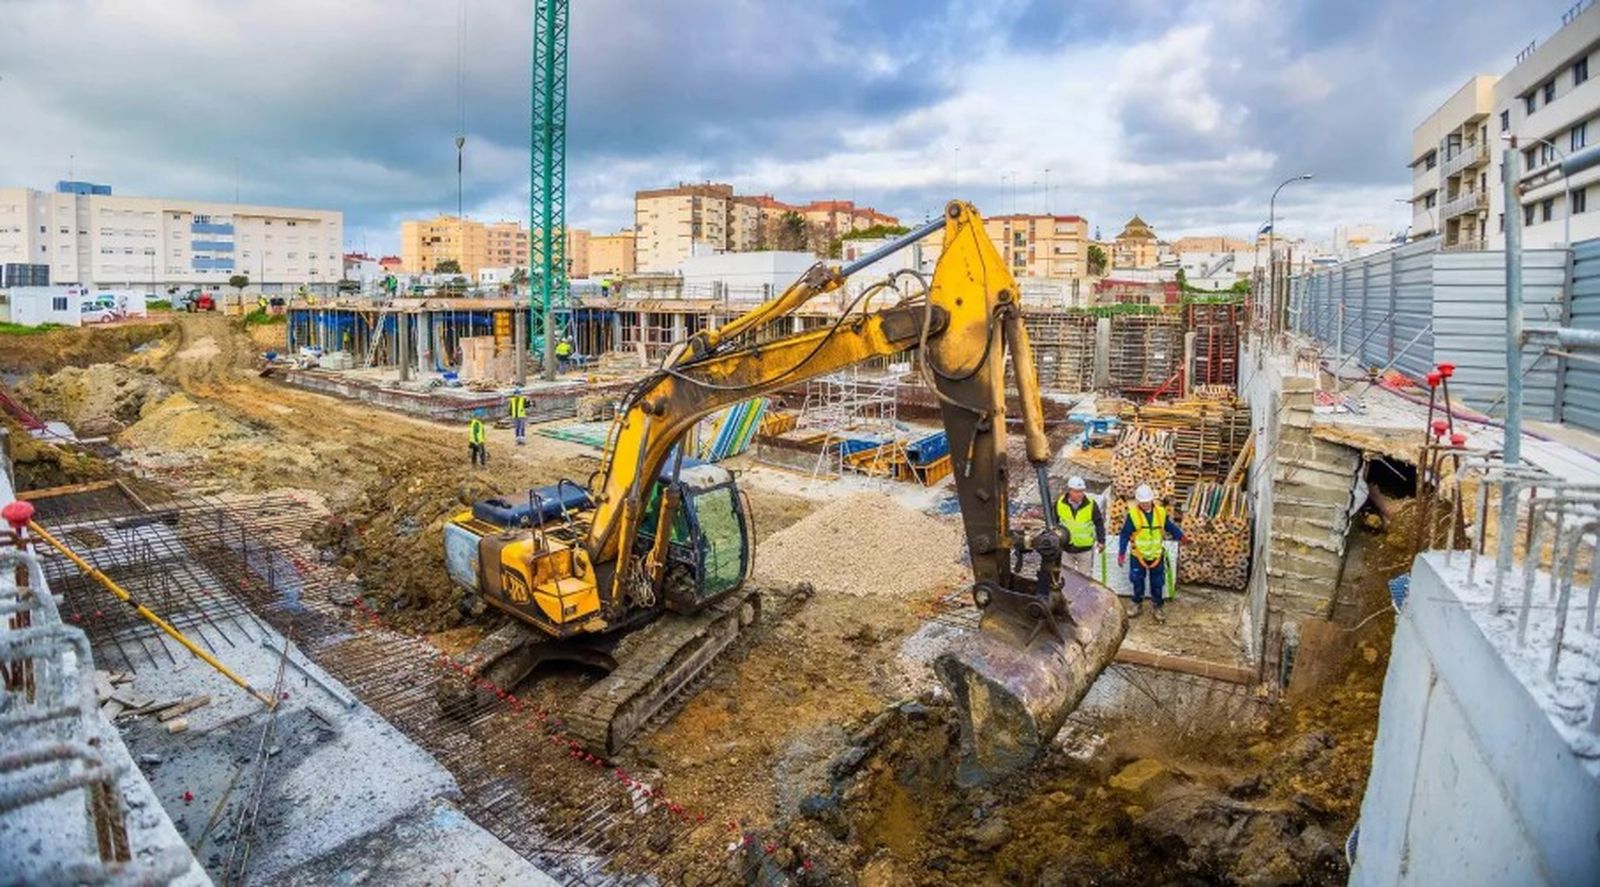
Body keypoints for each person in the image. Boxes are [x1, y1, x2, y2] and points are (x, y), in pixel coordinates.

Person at [1118, 484, 1183, 623]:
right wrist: (1121, 553)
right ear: (1138, 501)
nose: (1145, 504)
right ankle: (1137, 603)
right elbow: (1124, 535)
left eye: (1147, 501)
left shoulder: (1160, 512)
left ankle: (1158, 606)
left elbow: (1170, 527)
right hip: (1138, 555)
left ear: (1152, 500)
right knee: (1137, 581)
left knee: (1157, 582)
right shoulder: (1133, 515)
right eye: (1142, 502)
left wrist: (1181, 537)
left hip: (1156, 555)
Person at [1055, 476, 1105, 580]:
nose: (1080, 494)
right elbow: (1053, 522)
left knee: (1084, 580)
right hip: (1067, 548)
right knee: (1066, 579)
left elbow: (1099, 523)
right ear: (1070, 491)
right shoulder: (1060, 503)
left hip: (1084, 549)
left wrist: (1101, 540)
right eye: (1077, 492)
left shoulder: (1091, 504)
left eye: (1082, 491)